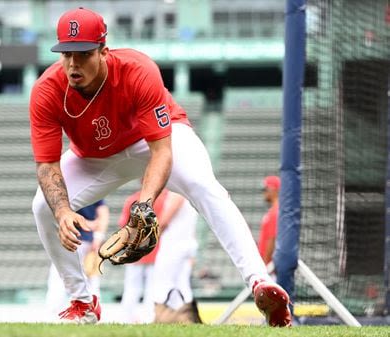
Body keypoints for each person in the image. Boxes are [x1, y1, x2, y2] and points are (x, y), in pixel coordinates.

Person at [30, 7, 291, 326]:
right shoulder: (46, 90)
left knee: (203, 185)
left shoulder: (136, 69)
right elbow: (47, 165)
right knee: (43, 206)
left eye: (83, 53)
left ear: (103, 50)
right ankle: (82, 301)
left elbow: (162, 150)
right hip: (95, 156)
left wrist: (145, 203)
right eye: (66, 53)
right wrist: (62, 211)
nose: (73, 63)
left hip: (152, 140)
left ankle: (260, 282)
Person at [46, 200, 109, 321]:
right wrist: (98, 235)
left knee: (59, 279)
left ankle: (55, 315)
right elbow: (103, 214)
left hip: (70, 239)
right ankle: (94, 315)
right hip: (89, 241)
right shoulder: (94, 187)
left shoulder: (65, 189)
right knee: (91, 280)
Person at [152, 191, 200, 324]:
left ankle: (164, 318)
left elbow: (165, 220)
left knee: (163, 282)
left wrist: (150, 239)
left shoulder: (177, 193)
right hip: (185, 243)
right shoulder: (189, 193)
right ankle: (187, 319)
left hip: (174, 244)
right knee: (182, 283)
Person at [118, 189, 165, 323]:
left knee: (132, 288)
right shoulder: (161, 200)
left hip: (135, 250)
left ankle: (126, 319)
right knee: (151, 288)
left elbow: (124, 226)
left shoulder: (132, 200)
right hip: (154, 250)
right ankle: (148, 318)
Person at [258, 176, 281, 266]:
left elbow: (272, 239)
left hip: (270, 265)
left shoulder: (276, 210)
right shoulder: (275, 209)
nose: (263, 192)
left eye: (265, 189)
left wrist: (266, 264)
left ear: (273, 189)